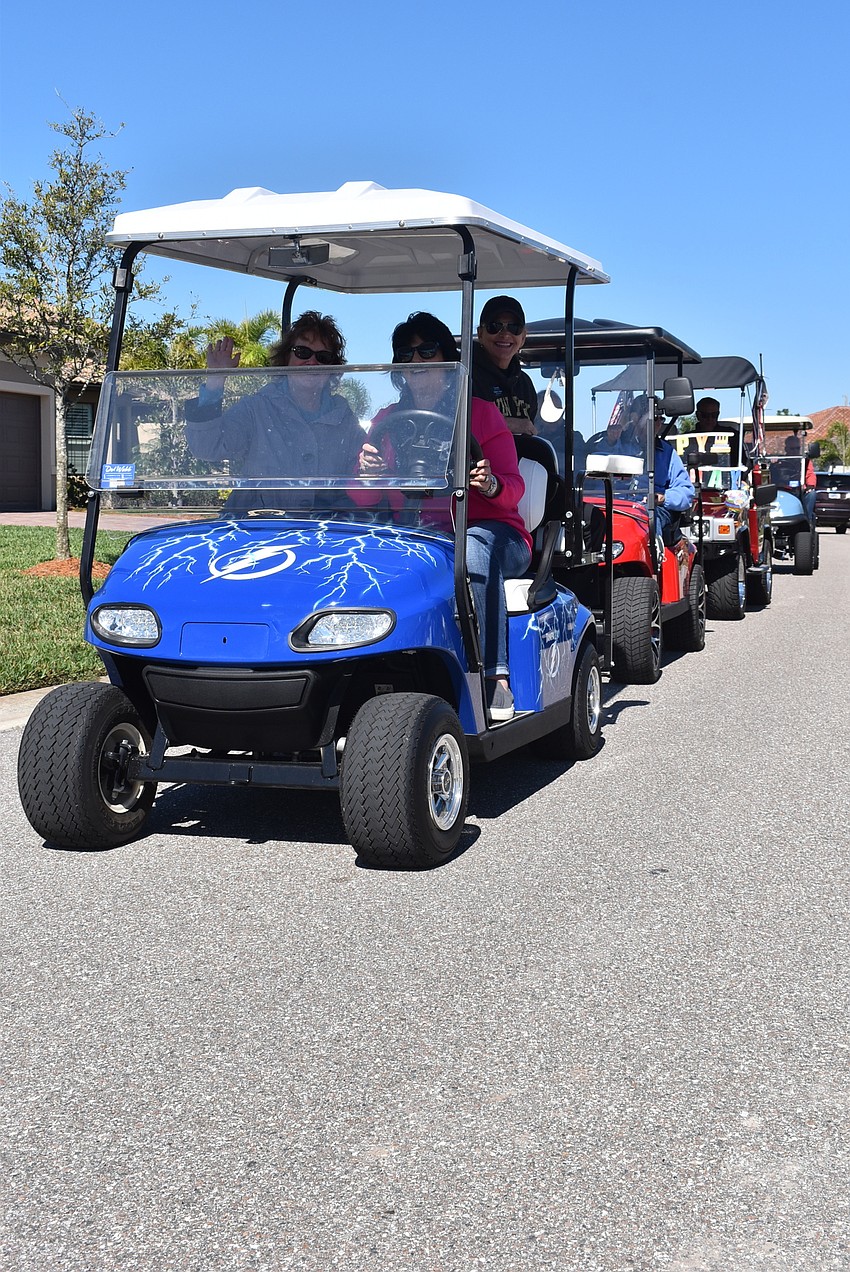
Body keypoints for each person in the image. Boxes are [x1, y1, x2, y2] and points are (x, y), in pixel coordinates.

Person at [358, 312, 531, 721]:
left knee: (469, 553)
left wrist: (488, 485)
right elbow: (362, 499)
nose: (418, 361)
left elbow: (514, 488)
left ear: (446, 357)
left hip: (493, 533)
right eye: (408, 353)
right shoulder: (386, 420)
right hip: (418, 533)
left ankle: (493, 677)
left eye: (428, 350)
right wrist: (366, 473)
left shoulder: (481, 414)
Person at [185, 311, 363, 514]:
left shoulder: (345, 420)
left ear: (332, 368)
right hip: (257, 531)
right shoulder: (256, 408)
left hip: (320, 535)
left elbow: (363, 478)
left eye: (323, 357)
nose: (312, 362)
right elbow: (206, 448)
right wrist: (215, 381)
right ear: (286, 357)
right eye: (302, 352)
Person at [471, 296, 538, 436]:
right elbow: (457, 424)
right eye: (495, 326)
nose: (505, 334)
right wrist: (510, 424)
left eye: (514, 328)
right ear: (480, 334)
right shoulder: (465, 376)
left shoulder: (525, 384)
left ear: (523, 338)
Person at [649, 396, 695, 542]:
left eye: (659, 419)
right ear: (634, 418)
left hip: (652, 509)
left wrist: (664, 497)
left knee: (648, 518)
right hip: (619, 507)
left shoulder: (667, 453)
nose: (658, 423)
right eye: (653, 418)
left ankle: (651, 561)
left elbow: (686, 492)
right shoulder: (617, 447)